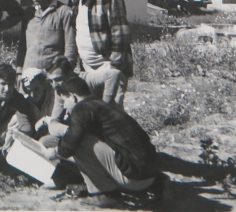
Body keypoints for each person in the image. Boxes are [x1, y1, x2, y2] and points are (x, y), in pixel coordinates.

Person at [45, 77, 162, 208]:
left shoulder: (82, 108)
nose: (65, 106)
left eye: (64, 101)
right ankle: (158, 184)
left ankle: (105, 194)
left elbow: (68, 147)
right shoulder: (102, 105)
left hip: (133, 178)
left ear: (73, 97)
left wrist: (54, 152)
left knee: (80, 142)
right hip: (150, 174)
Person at [57, 0, 132, 106]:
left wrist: (114, 69)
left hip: (108, 67)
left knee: (111, 112)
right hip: (86, 69)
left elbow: (121, 35)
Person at [16, 0, 77, 76]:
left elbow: (70, 46)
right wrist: (19, 70)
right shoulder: (28, 13)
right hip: (29, 74)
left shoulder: (63, 12)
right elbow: (23, 45)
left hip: (53, 75)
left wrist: (66, 71)